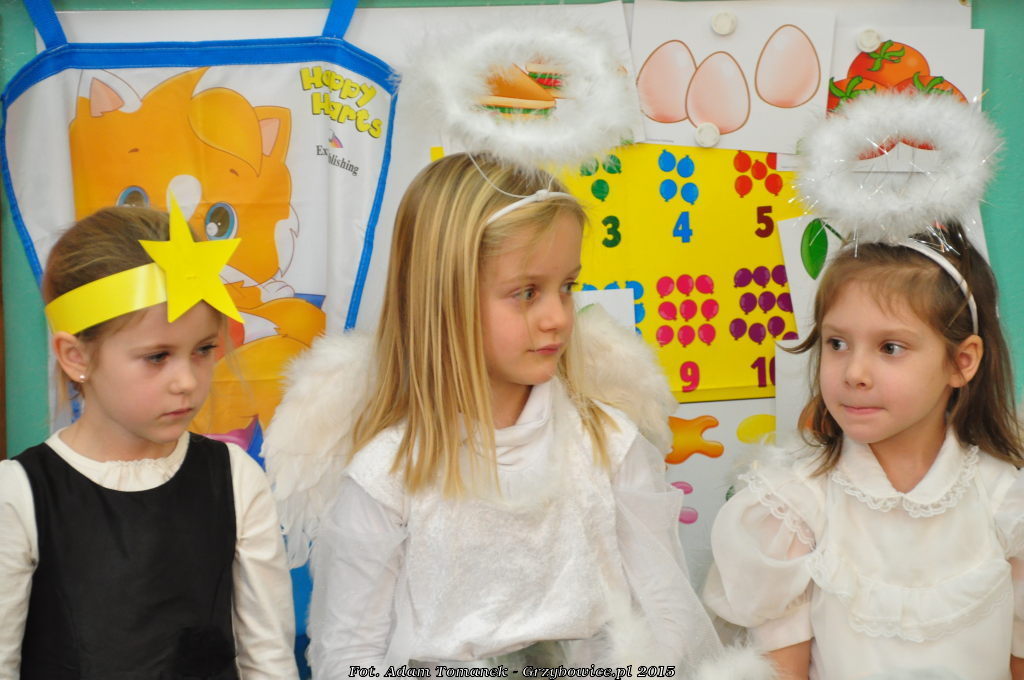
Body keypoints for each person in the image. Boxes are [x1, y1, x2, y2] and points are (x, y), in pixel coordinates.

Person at [264, 153, 765, 676]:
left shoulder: (609, 446)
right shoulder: (387, 475)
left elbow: (667, 621)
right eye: (527, 293)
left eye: (567, 287)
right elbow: (349, 657)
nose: (557, 317)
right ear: (446, 298)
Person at [703, 224, 1024, 680]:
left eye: (890, 348)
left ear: (961, 361)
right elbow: (783, 672)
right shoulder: (795, 507)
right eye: (837, 343)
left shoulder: (1008, 503)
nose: (853, 372)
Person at [0, 205, 298, 679]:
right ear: (76, 356)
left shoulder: (236, 479)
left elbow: (268, 661)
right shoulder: (18, 496)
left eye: (203, 350)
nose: (187, 381)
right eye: (157, 357)